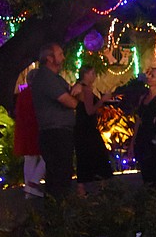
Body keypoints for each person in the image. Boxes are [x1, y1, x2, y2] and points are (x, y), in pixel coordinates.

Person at [31, 43, 80, 199]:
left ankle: (57, 207)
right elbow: (70, 102)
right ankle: (57, 208)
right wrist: (76, 97)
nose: (63, 58)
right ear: (49, 58)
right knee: (59, 175)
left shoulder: (55, 78)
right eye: (60, 54)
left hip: (60, 131)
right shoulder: (46, 77)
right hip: (55, 132)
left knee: (60, 173)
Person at [72, 66, 114, 197]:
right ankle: (102, 186)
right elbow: (90, 111)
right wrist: (102, 100)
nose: (95, 76)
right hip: (88, 129)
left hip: (81, 128)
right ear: (86, 74)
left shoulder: (78, 88)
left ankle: (82, 187)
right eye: (93, 73)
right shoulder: (86, 90)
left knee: (84, 156)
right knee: (100, 155)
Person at [131, 67, 156, 189]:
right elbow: (139, 120)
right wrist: (133, 141)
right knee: (145, 171)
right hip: (143, 136)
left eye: (152, 76)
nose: (148, 77)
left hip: (155, 138)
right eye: (149, 75)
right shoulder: (144, 97)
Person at [14, 69, 45, 199]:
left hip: (24, 130)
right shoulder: (37, 93)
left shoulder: (23, 94)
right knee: (46, 156)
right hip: (34, 129)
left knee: (29, 159)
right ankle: (33, 184)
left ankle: (29, 188)